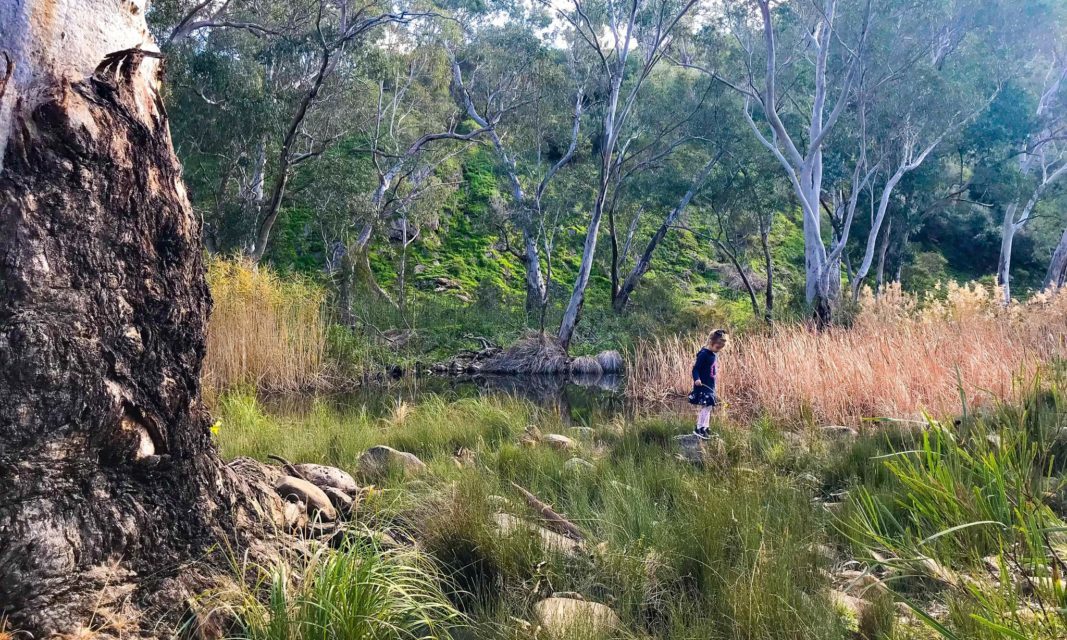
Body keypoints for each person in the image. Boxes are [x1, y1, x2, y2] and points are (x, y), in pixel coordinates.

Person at [688, 329, 728, 439]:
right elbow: (695, 369)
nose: (718, 350)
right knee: (705, 407)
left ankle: (705, 427)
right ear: (711, 342)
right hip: (702, 386)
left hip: (710, 386)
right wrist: (697, 379)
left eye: (721, 348)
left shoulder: (713, 354)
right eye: (717, 347)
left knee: (709, 407)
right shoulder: (703, 354)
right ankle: (698, 428)